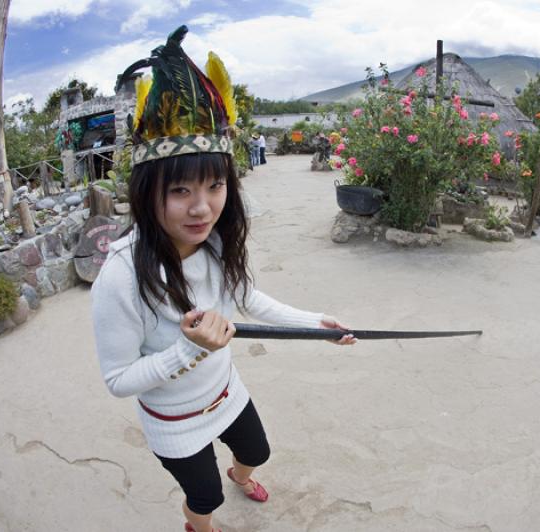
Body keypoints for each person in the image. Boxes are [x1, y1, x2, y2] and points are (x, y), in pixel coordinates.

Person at [91, 26, 356, 532]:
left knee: (259, 449)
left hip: (226, 393)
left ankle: (240, 472)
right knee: (205, 498)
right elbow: (118, 380)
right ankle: (201, 526)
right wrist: (187, 350)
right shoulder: (121, 278)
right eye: (181, 190)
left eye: (215, 185)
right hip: (174, 422)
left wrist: (317, 324)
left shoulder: (214, 244)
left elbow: (249, 299)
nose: (202, 207)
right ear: (149, 192)